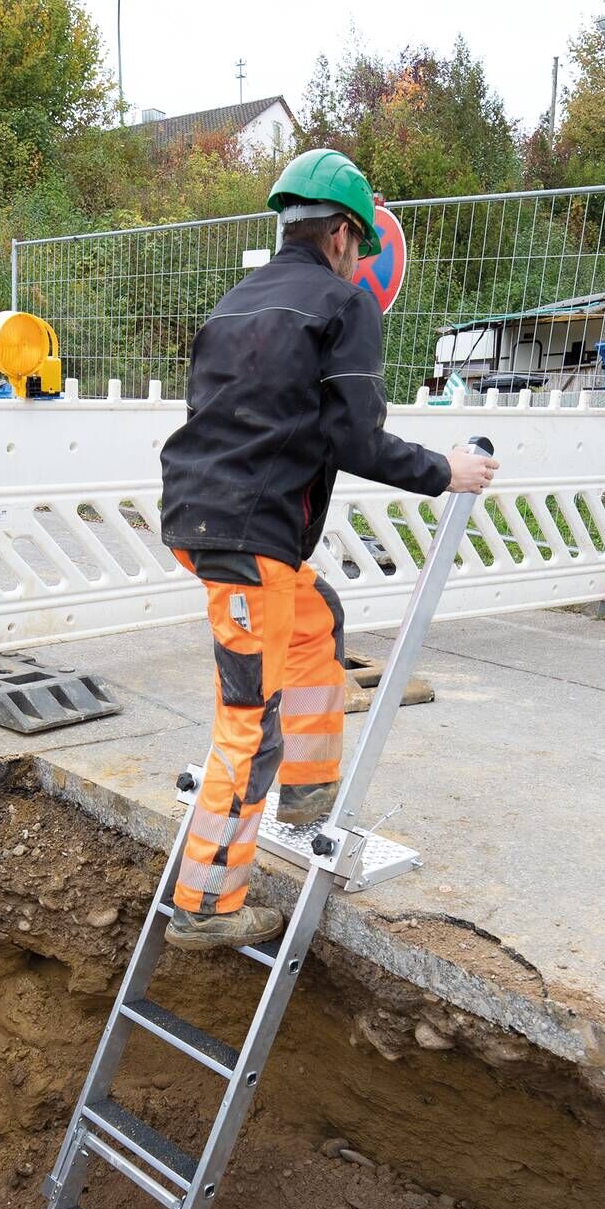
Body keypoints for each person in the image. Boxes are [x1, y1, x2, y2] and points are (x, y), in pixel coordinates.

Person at [154, 149, 500, 952]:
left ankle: (307, 794)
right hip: (249, 542)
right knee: (250, 722)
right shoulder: (343, 305)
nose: (361, 259)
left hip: (204, 518)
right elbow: (354, 437)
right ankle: (206, 906)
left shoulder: (238, 301)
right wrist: (444, 471)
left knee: (316, 619)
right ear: (344, 233)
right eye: (362, 245)